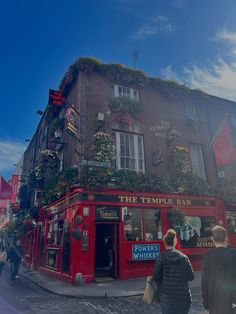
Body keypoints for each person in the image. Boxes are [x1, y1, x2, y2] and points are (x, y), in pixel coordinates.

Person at [152, 229, 194, 314]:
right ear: (175, 242)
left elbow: (156, 276)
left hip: (167, 298)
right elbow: (191, 277)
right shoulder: (184, 258)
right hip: (183, 298)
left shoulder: (161, 257)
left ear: (165, 242)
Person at [201, 225, 236, 314]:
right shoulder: (234, 255)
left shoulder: (207, 256)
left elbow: (204, 283)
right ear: (226, 239)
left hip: (214, 301)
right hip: (232, 301)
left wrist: (206, 305)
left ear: (213, 240)